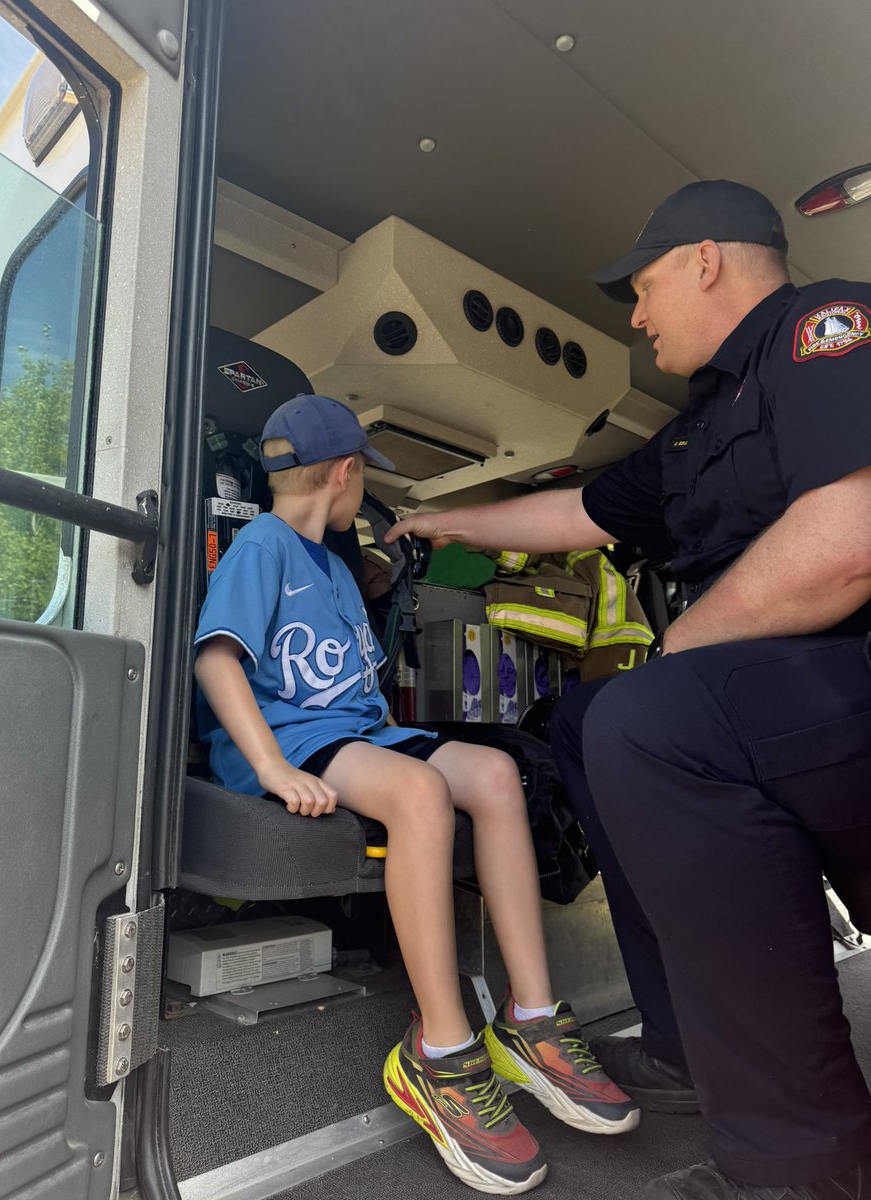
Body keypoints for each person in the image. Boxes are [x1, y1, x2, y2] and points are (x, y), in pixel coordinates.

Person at [386, 180, 871, 1199]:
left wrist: (681, 647)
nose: (638, 317)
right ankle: (688, 1043)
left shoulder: (825, 331)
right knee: (592, 724)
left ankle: (802, 1168)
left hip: (848, 672)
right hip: (777, 705)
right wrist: (443, 520)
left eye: (643, 289)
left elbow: (849, 543)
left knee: (648, 717)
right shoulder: (691, 432)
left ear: (706, 259)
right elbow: (578, 517)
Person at [193, 393, 639, 1196]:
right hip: (292, 740)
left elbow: (355, 685)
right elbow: (217, 659)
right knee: (422, 792)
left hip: (360, 734)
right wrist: (270, 768)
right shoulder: (261, 546)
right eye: (365, 477)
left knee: (497, 774)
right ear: (345, 473)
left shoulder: (335, 567)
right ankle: (441, 1052)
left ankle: (531, 1017)